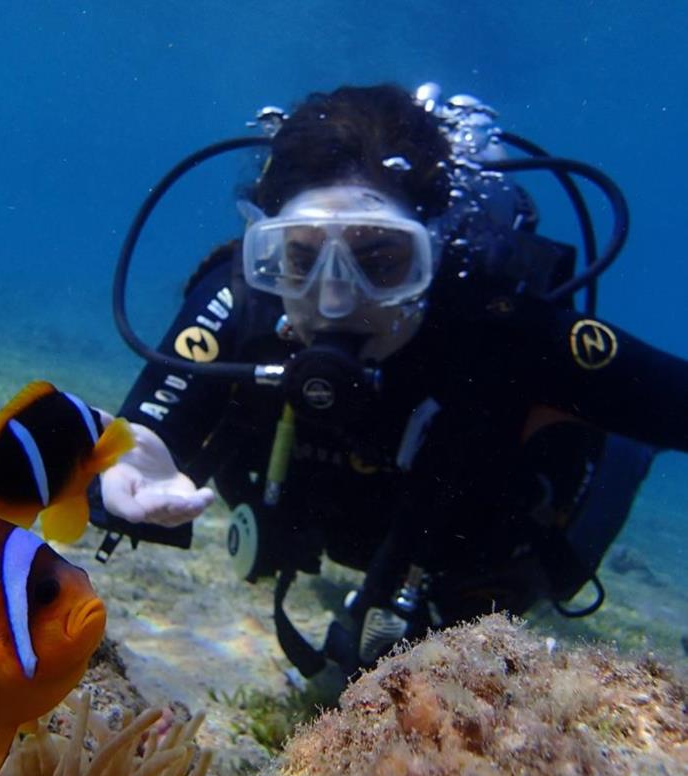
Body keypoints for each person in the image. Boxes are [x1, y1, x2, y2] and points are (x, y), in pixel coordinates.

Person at [95, 82, 684, 682]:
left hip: (470, 541)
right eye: (300, 258)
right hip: (346, 521)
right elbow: (142, 440)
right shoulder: (241, 301)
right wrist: (117, 470)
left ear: (434, 251)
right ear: (265, 250)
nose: (333, 298)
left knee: (497, 594)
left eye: (380, 261)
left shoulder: (499, 331)